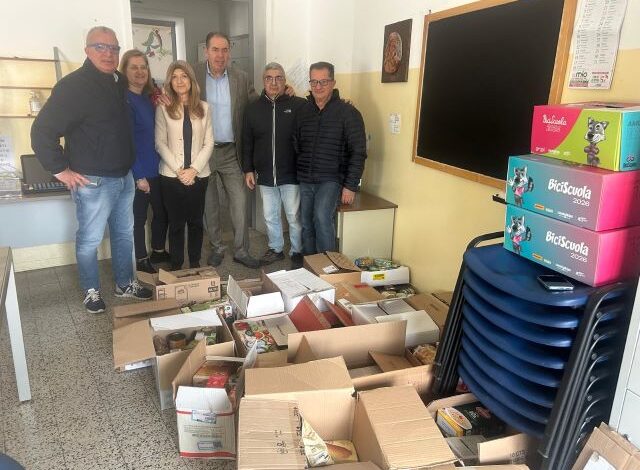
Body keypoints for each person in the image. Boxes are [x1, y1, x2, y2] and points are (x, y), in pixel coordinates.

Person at [31, 26, 152, 314]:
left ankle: (124, 284)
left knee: (124, 235)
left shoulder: (118, 81)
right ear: (87, 50)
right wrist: (60, 170)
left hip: (124, 177)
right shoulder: (73, 87)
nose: (108, 53)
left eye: (114, 48)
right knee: (90, 240)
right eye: (101, 47)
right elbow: (42, 131)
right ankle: (91, 290)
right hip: (93, 181)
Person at [193, 32, 260, 269]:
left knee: (239, 203)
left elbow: (257, 105)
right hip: (204, 151)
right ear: (206, 51)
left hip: (232, 151)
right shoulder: (194, 74)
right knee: (209, 205)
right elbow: (176, 95)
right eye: (215, 50)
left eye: (224, 50)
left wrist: (281, 94)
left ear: (229, 52)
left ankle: (241, 250)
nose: (220, 55)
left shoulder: (241, 78)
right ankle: (217, 247)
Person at [294, 61, 367, 255]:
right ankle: (310, 263)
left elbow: (358, 152)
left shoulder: (348, 113)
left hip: (331, 179)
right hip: (306, 178)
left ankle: (328, 266)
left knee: (322, 218)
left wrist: (350, 185)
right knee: (306, 222)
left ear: (333, 82)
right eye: (314, 82)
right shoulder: (303, 111)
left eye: (323, 82)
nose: (318, 87)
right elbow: (296, 142)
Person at [243, 62, 307, 268]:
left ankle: (297, 250)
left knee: (293, 216)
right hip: (265, 175)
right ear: (263, 81)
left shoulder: (299, 105)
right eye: (269, 78)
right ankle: (276, 248)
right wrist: (248, 169)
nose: (273, 82)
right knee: (270, 216)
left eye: (278, 78)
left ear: (284, 81)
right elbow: (247, 142)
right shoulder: (253, 109)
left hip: (291, 173)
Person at [155, 60, 214, 271]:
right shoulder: (163, 107)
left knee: (196, 222)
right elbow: (160, 142)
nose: (179, 81)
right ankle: (177, 265)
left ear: (191, 80)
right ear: (170, 82)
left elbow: (209, 142)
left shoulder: (204, 108)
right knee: (176, 223)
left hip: (199, 175)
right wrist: (181, 171)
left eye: (184, 76)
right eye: (174, 77)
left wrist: (194, 170)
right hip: (172, 177)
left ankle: (195, 263)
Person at [120, 49, 170, 274]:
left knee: (161, 213)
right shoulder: (125, 101)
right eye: (134, 67)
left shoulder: (149, 98)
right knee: (139, 218)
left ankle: (158, 250)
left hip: (158, 168)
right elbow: (127, 142)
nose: (140, 72)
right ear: (125, 71)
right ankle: (141, 258)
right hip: (139, 171)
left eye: (143, 67)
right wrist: (139, 176)